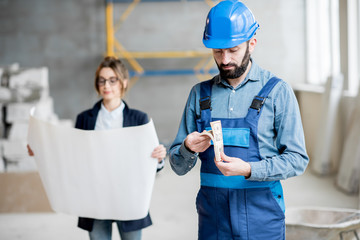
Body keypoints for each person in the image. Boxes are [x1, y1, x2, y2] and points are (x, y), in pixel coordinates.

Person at [169, 1, 309, 239]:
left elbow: (297, 160)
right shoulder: (199, 95)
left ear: (251, 43)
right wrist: (187, 148)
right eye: (217, 51)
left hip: (261, 216)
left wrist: (248, 169)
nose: (224, 60)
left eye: (232, 50)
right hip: (213, 218)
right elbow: (177, 166)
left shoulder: (277, 91)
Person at [28, 56, 166, 240]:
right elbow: (71, 157)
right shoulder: (85, 119)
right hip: (94, 198)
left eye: (112, 80)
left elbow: (151, 166)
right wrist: (41, 150)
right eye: (102, 80)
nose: (106, 85)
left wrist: (158, 158)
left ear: (124, 82)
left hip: (128, 197)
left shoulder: (139, 119)